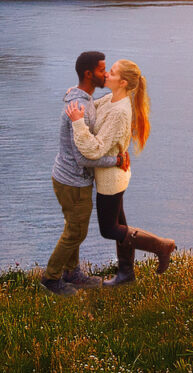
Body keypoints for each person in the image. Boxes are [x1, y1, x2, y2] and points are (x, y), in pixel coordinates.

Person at [64, 59, 174, 286]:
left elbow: (94, 149)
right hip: (113, 174)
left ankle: (162, 246)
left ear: (122, 82)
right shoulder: (111, 100)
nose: (106, 75)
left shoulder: (119, 112)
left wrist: (77, 124)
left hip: (111, 179)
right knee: (119, 222)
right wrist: (77, 95)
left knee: (110, 229)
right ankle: (126, 275)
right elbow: (92, 110)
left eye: (111, 73)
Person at [43, 51, 130, 296]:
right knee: (76, 232)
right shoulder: (80, 105)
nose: (106, 74)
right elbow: (83, 157)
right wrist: (116, 160)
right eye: (103, 70)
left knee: (74, 226)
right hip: (73, 180)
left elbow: (101, 103)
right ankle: (51, 279)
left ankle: (73, 273)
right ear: (89, 74)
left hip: (68, 177)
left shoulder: (84, 99)